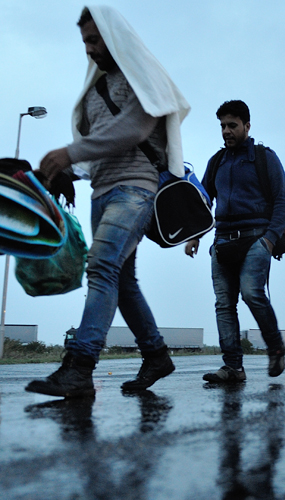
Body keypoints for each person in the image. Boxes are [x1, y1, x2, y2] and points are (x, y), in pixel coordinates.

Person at [26, 6, 190, 398]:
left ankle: (80, 367)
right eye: (85, 41)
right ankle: (156, 355)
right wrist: (64, 172)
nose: (89, 49)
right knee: (123, 281)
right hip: (101, 193)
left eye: (95, 40)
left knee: (100, 268)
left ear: (114, 37)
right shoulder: (93, 92)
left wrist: (69, 152)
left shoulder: (142, 80)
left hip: (134, 190)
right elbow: (97, 146)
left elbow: (133, 128)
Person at [185, 100, 285, 382]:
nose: (226, 131)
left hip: (256, 239)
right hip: (222, 242)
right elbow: (204, 201)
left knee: (252, 293)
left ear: (247, 125)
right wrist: (195, 236)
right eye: (222, 126)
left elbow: (283, 202)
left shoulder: (265, 158)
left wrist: (269, 240)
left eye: (232, 125)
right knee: (224, 304)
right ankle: (233, 366)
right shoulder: (216, 162)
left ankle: (275, 348)